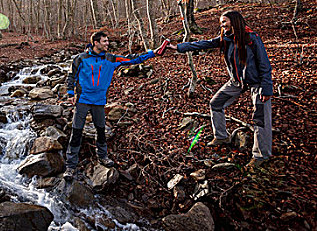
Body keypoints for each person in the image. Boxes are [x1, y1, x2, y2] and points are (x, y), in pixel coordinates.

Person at [168, 10, 273, 168]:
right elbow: (204, 43)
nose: (222, 25)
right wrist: (178, 47)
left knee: (260, 119)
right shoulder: (226, 38)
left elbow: (264, 64)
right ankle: (222, 136)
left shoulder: (251, 38)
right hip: (236, 82)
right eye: (221, 22)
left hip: (256, 83)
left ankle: (261, 155)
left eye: (225, 22)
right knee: (215, 103)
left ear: (234, 22)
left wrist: (266, 88)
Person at [64, 31, 166, 181]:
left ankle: (103, 157)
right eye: (104, 41)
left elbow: (133, 59)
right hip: (83, 100)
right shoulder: (81, 59)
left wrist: (153, 53)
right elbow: (71, 75)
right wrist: (70, 93)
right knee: (77, 132)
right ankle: (70, 167)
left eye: (107, 41)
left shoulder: (111, 59)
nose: (107, 43)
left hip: (99, 101)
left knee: (100, 131)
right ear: (96, 43)